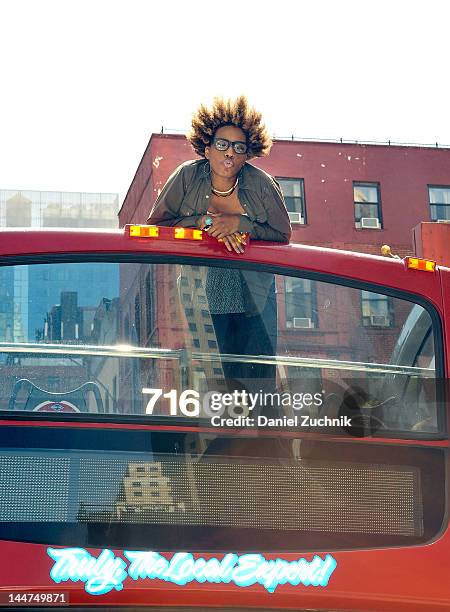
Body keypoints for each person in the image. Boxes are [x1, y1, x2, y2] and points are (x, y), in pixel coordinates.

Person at [147, 96, 291, 396]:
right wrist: (203, 224)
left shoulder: (261, 183)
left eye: (239, 148)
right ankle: (225, 438)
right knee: (218, 379)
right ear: (207, 147)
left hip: (255, 287)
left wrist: (239, 224)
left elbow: (282, 234)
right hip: (203, 284)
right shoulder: (187, 177)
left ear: (247, 153)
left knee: (258, 379)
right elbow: (156, 228)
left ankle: (261, 438)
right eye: (222, 144)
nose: (230, 154)